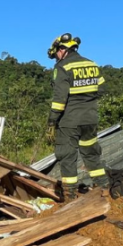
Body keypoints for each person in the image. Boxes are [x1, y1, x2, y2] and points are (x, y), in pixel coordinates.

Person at [46, 32, 106, 200]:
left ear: (61, 49)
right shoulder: (92, 64)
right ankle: (103, 189)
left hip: (70, 120)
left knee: (67, 155)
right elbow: (101, 89)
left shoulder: (62, 67)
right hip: (91, 119)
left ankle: (70, 197)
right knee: (92, 154)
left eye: (56, 53)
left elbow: (59, 99)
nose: (57, 57)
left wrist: (51, 122)